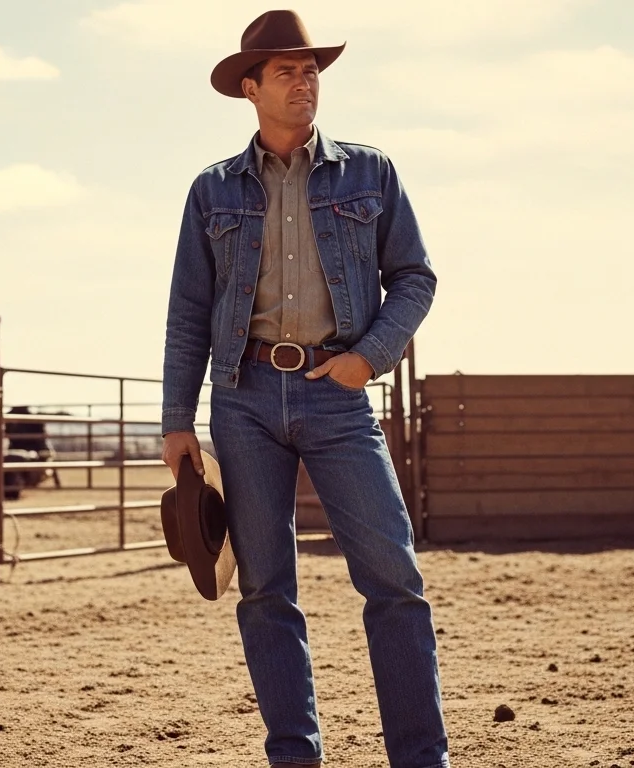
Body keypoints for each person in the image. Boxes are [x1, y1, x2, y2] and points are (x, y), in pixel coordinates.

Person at [159, 11, 449, 767]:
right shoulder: (211, 191)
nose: (304, 81)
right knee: (264, 591)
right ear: (249, 88)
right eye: (286, 71)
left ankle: (421, 759)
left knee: (394, 578)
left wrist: (369, 359)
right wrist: (176, 419)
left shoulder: (370, 173)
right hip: (244, 397)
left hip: (336, 392)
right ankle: (294, 757)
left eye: (311, 70)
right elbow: (189, 310)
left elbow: (415, 278)